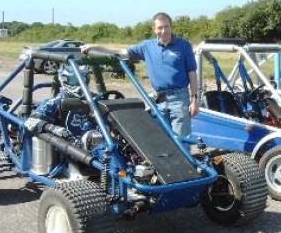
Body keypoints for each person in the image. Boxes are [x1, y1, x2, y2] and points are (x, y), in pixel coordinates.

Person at [81, 12, 198, 140]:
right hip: (158, 100)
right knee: (162, 141)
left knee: (182, 141)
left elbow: (192, 74)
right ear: (154, 29)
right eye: (160, 28)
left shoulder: (183, 45)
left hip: (179, 99)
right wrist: (95, 47)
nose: (164, 31)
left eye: (167, 27)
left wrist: (194, 100)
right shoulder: (147, 46)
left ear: (171, 27)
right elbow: (121, 52)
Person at [24, 64, 95, 140]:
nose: (79, 84)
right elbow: (30, 122)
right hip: (65, 144)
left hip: (91, 140)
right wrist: (52, 128)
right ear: (64, 79)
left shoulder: (93, 98)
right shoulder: (56, 101)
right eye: (74, 80)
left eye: (83, 79)